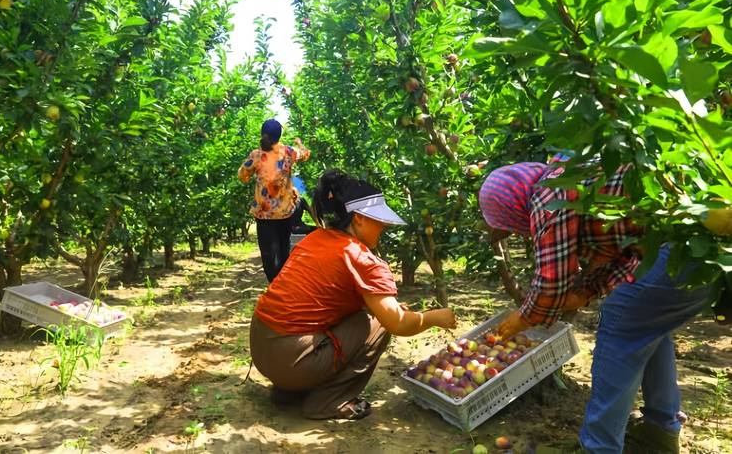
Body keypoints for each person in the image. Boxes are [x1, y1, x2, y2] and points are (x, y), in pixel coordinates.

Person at [478, 160, 712, 454]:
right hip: (701, 242)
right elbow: (626, 248)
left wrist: (524, 318)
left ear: (510, 207)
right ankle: (659, 432)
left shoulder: (548, 197)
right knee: (649, 323)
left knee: (620, 328)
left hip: (679, 244)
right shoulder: (569, 174)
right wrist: (589, 290)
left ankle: (599, 447)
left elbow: (552, 280)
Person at [249, 169, 457, 420]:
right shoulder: (362, 259)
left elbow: (318, 298)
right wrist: (434, 318)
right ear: (358, 219)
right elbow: (397, 323)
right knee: (379, 324)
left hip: (262, 348)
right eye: (378, 219)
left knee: (363, 314)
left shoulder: (315, 240)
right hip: (292, 359)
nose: (384, 225)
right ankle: (329, 401)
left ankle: (290, 391)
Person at [238, 119, 310, 282]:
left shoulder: (256, 155)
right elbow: (305, 153)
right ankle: (282, 286)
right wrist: (300, 143)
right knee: (283, 251)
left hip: (264, 214)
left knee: (268, 255)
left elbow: (242, 176)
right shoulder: (288, 152)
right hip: (285, 213)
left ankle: (274, 285)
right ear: (279, 136)